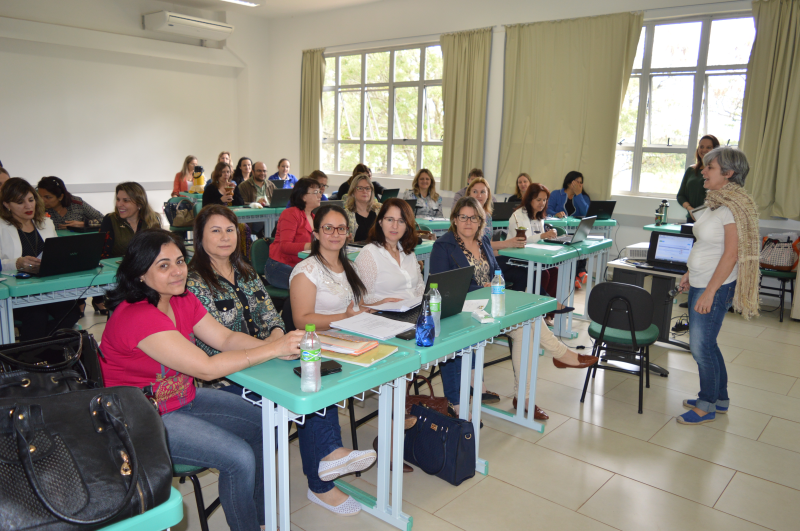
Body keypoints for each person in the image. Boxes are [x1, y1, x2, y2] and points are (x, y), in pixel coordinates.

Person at [100, 228, 299, 531]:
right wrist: (273, 348)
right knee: (239, 458)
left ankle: (259, 520)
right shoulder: (137, 316)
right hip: (139, 420)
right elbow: (206, 368)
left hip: (180, 400)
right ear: (140, 273)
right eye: (163, 266)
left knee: (265, 424)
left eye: (180, 261)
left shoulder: (181, 299)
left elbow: (226, 338)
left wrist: (274, 349)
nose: (178, 271)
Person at [186, 205, 375, 514]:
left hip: (268, 359)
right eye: (215, 231)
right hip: (227, 375)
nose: (224, 237)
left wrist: (276, 341)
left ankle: (326, 467)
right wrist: (271, 350)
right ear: (200, 237)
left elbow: (272, 316)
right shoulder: (194, 283)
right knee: (287, 402)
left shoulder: (246, 272)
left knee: (315, 379)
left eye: (230, 230)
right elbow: (220, 339)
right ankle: (319, 477)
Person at [676, 147, 760, 425]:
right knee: (708, 344)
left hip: (716, 285)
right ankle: (719, 398)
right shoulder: (718, 203)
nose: (703, 170)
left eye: (710, 168)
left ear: (728, 173)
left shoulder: (733, 208)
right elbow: (706, 244)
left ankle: (706, 404)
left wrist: (711, 291)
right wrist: (690, 271)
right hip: (702, 280)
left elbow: (731, 255)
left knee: (700, 348)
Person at [428, 197, 504, 415]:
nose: (468, 222)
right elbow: (445, 286)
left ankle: (473, 384)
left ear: (480, 221)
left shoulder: (484, 242)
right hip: (453, 309)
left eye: (473, 218)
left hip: (483, 305)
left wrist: (493, 282)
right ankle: (456, 402)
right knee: (457, 342)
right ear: (454, 220)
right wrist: (482, 289)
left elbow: (497, 270)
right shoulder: (443, 246)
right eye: (463, 217)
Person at [0, 178, 81, 340]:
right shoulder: (1, 227)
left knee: (71, 311)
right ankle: (30, 357)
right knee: (36, 316)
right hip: (16, 292)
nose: (28, 206)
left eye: (31, 200)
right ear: (7, 205)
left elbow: (58, 253)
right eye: (19, 202)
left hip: (46, 287)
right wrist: (16, 263)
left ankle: (43, 350)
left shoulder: (46, 223)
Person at [97, 181, 162, 314]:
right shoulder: (110, 220)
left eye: (125, 200)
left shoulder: (153, 220)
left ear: (139, 203)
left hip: (148, 276)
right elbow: (103, 254)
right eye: (118, 199)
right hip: (119, 277)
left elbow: (159, 250)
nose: (119, 204)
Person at [356, 198, 424, 306]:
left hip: (412, 311)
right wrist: (381, 304)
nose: (395, 226)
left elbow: (420, 287)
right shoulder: (369, 254)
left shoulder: (408, 251)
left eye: (401, 221)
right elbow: (362, 300)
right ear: (380, 222)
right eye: (390, 219)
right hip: (384, 315)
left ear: (407, 226)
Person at [265, 177, 322, 290]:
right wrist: (312, 246)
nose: (320, 195)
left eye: (320, 192)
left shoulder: (314, 218)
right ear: (303, 196)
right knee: (311, 287)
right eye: (316, 192)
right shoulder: (290, 214)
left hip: (301, 267)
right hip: (279, 266)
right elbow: (285, 246)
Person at [678, 135, 720, 222]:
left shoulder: (720, 171)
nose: (704, 150)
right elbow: (681, 195)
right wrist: (690, 209)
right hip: (691, 218)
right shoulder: (691, 170)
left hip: (711, 219)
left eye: (709, 147)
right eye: (701, 147)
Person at [37, 176, 103, 229]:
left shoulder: (77, 204)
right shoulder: (36, 207)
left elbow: (103, 220)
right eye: (40, 196)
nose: (42, 201)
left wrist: (83, 224)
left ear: (61, 197)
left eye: (48, 197)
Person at [344, 174, 382, 241]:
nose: (364, 191)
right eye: (360, 188)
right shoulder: (345, 214)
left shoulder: (380, 210)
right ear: (353, 192)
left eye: (367, 188)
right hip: (357, 250)